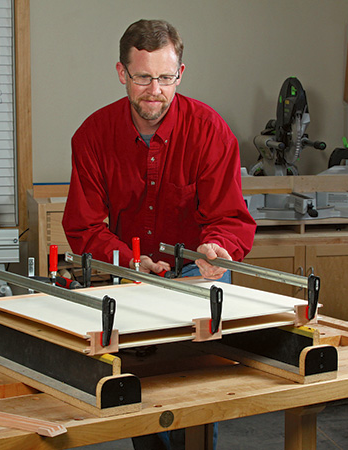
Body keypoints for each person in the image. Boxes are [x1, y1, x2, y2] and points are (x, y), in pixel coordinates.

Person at [62, 19, 256, 450]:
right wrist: (128, 261)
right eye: (144, 77)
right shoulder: (93, 137)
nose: (155, 90)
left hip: (196, 273)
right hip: (129, 274)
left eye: (166, 78)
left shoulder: (211, 131)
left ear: (180, 73)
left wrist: (217, 248)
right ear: (121, 73)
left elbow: (231, 218)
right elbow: (85, 226)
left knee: (191, 393)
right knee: (141, 395)